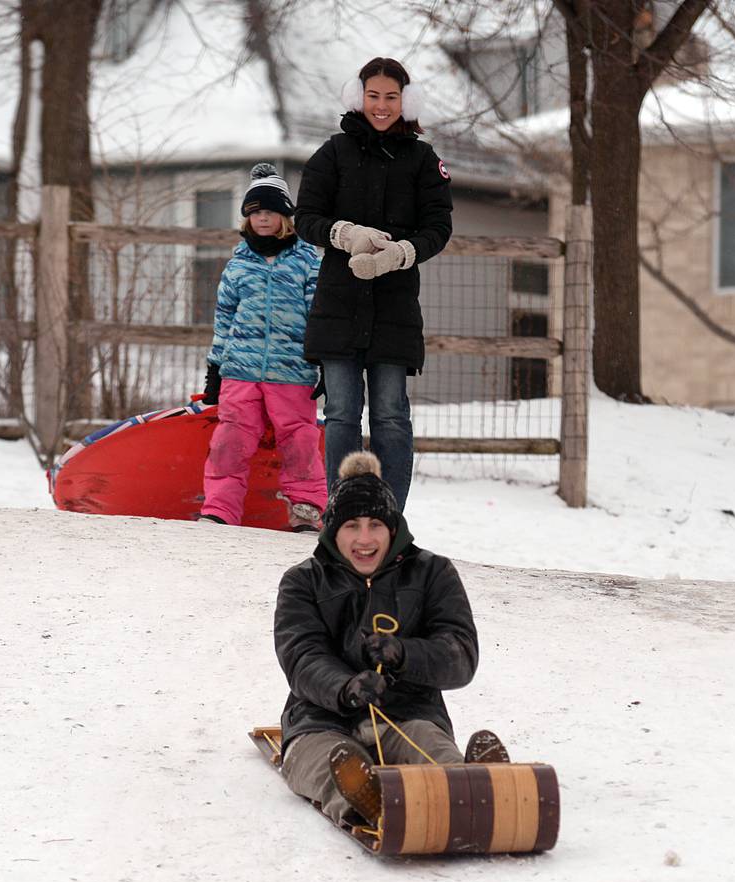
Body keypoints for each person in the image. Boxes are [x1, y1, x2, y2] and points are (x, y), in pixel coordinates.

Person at [273, 450, 509, 827]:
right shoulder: (304, 582)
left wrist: (404, 654)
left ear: (393, 530)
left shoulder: (433, 573)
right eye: (352, 525)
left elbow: (460, 654)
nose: (364, 539)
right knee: (328, 763)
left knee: (431, 750)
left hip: (408, 713)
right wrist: (346, 687)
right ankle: (372, 803)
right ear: (333, 530)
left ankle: (476, 788)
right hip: (322, 718)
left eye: (375, 525)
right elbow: (302, 657)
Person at [294, 56, 453, 513]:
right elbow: (305, 217)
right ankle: (342, 512)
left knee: (390, 415)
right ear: (358, 97)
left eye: (391, 96)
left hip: (395, 310)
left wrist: (402, 253)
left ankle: (389, 516)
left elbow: (438, 226)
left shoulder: (423, 159)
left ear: (406, 101)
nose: (381, 106)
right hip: (338, 308)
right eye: (373, 95)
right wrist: (345, 234)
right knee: (342, 414)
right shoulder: (332, 153)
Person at [200, 163, 327, 531]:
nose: (263, 218)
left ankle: (305, 509)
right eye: (255, 212)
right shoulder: (238, 265)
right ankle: (219, 509)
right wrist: (215, 368)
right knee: (230, 439)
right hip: (240, 370)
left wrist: (322, 363)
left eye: (270, 211)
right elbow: (224, 320)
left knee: (300, 440)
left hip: (292, 372)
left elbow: (316, 314)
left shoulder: (307, 261)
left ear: (286, 215)